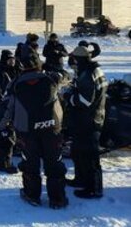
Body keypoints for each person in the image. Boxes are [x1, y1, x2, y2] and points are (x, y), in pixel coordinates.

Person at [1, 44, 68, 209]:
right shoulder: (51, 78)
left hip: (27, 131)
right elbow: (67, 77)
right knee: (54, 163)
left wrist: (2, 126)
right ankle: (57, 199)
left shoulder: (15, 84)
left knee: (30, 164)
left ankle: (32, 195)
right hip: (52, 128)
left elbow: (9, 108)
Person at [64, 44, 107, 199]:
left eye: (74, 59)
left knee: (90, 155)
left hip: (89, 120)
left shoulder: (88, 73)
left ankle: (94, 188)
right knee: (78, 152)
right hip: (84, 119)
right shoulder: (92, 69)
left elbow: (85, 100)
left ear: (79, 59)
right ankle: (81, 179)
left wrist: (69, 96)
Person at [0, 50, 19, 174]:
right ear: (4, 60)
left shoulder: (10, 71)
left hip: (7, 109)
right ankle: (4, 164)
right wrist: (5, 111)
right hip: (2, 110)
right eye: (10, 60)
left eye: (13, 59)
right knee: (7, 135)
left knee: (1, 135)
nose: (12, 62)